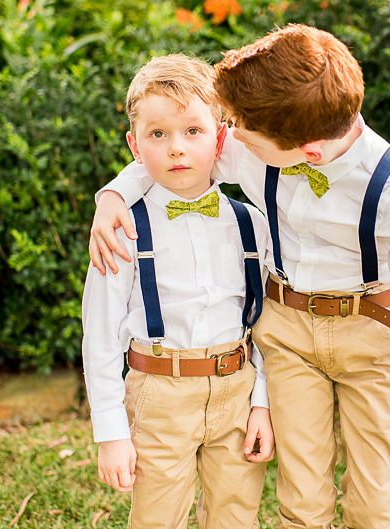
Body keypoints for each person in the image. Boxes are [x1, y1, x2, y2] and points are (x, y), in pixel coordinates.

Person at [88, 25, 390, 529]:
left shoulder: (389, 188)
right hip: (286, 334)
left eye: (238, 128)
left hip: (370, 334)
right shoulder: (256, 141)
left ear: (307, 152)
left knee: (377, 505)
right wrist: (112, 197)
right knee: (302, 498)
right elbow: (175, 155)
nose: (230, 135)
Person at [80, 54, 275, 529]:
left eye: (192, 131)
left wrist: (262, 404)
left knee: (236, 515)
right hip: (158, 394)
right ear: (134, 145)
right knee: (157, 518)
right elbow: (101, 336)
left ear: (220, 137)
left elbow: (268, 325)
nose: (176, 149)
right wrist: (111, 433)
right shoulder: (122, 228)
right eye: (157, 134)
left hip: (237, 387)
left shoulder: (252, 224)